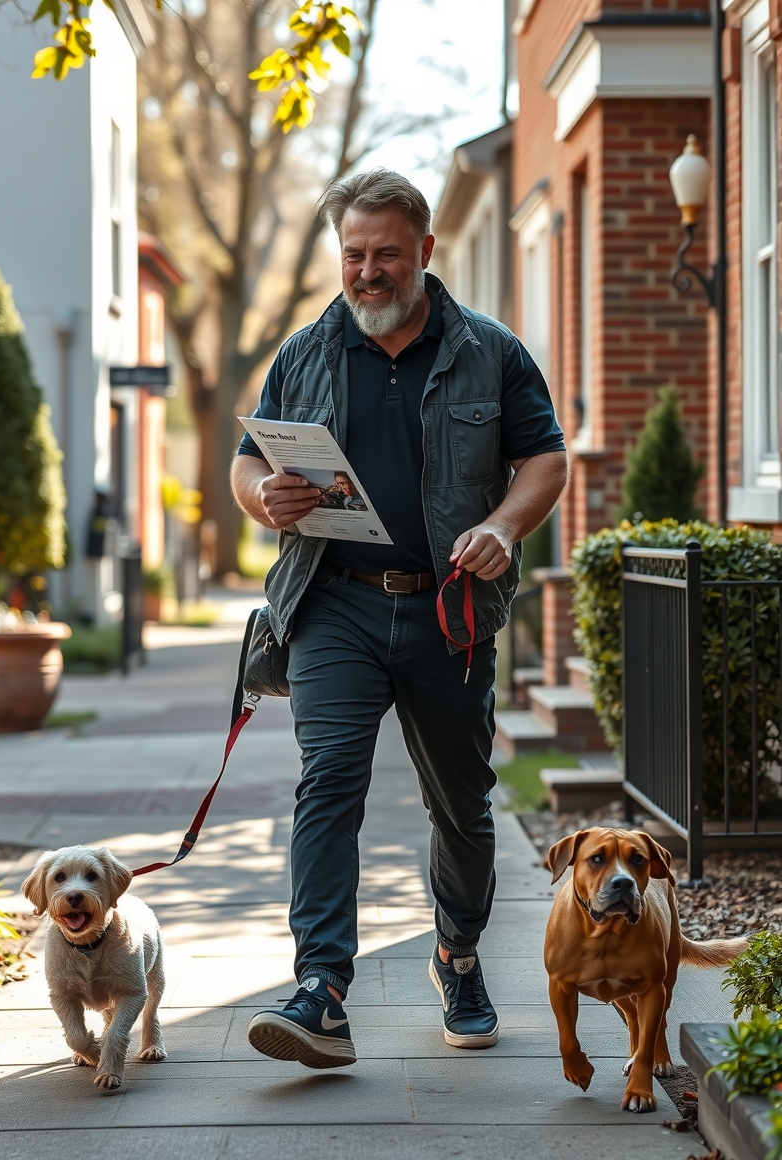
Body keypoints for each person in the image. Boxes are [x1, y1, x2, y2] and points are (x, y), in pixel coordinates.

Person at [231, 169, 568, 1071]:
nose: (368, 271)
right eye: (353, 254)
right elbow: (247, 461)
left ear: (425, 249)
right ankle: (322, 989)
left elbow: (545, 458)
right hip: (332, 601)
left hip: (448, 610)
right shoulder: (305, 352)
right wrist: (263, 497)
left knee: (460, 802)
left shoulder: (490, 351)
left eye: (386, 253)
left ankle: (458, 957)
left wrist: (504, 526)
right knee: (328, 781)